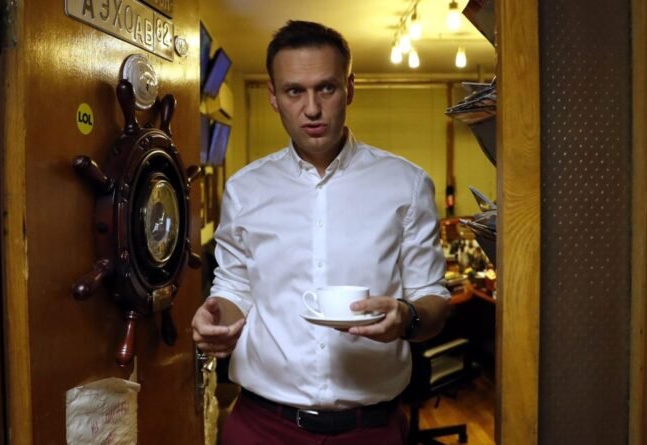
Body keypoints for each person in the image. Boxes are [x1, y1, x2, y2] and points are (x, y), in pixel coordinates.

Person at [191, 20, 452, 445]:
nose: (311, 108)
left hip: (370, 430)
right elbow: (235, 289)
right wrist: (216, 319)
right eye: (294, 91)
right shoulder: (244, 189)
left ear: (349, 88)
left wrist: (408, 317)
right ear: (273, 96)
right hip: (260, 427)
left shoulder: (406, 184)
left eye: (326, 88)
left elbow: (434, 299)